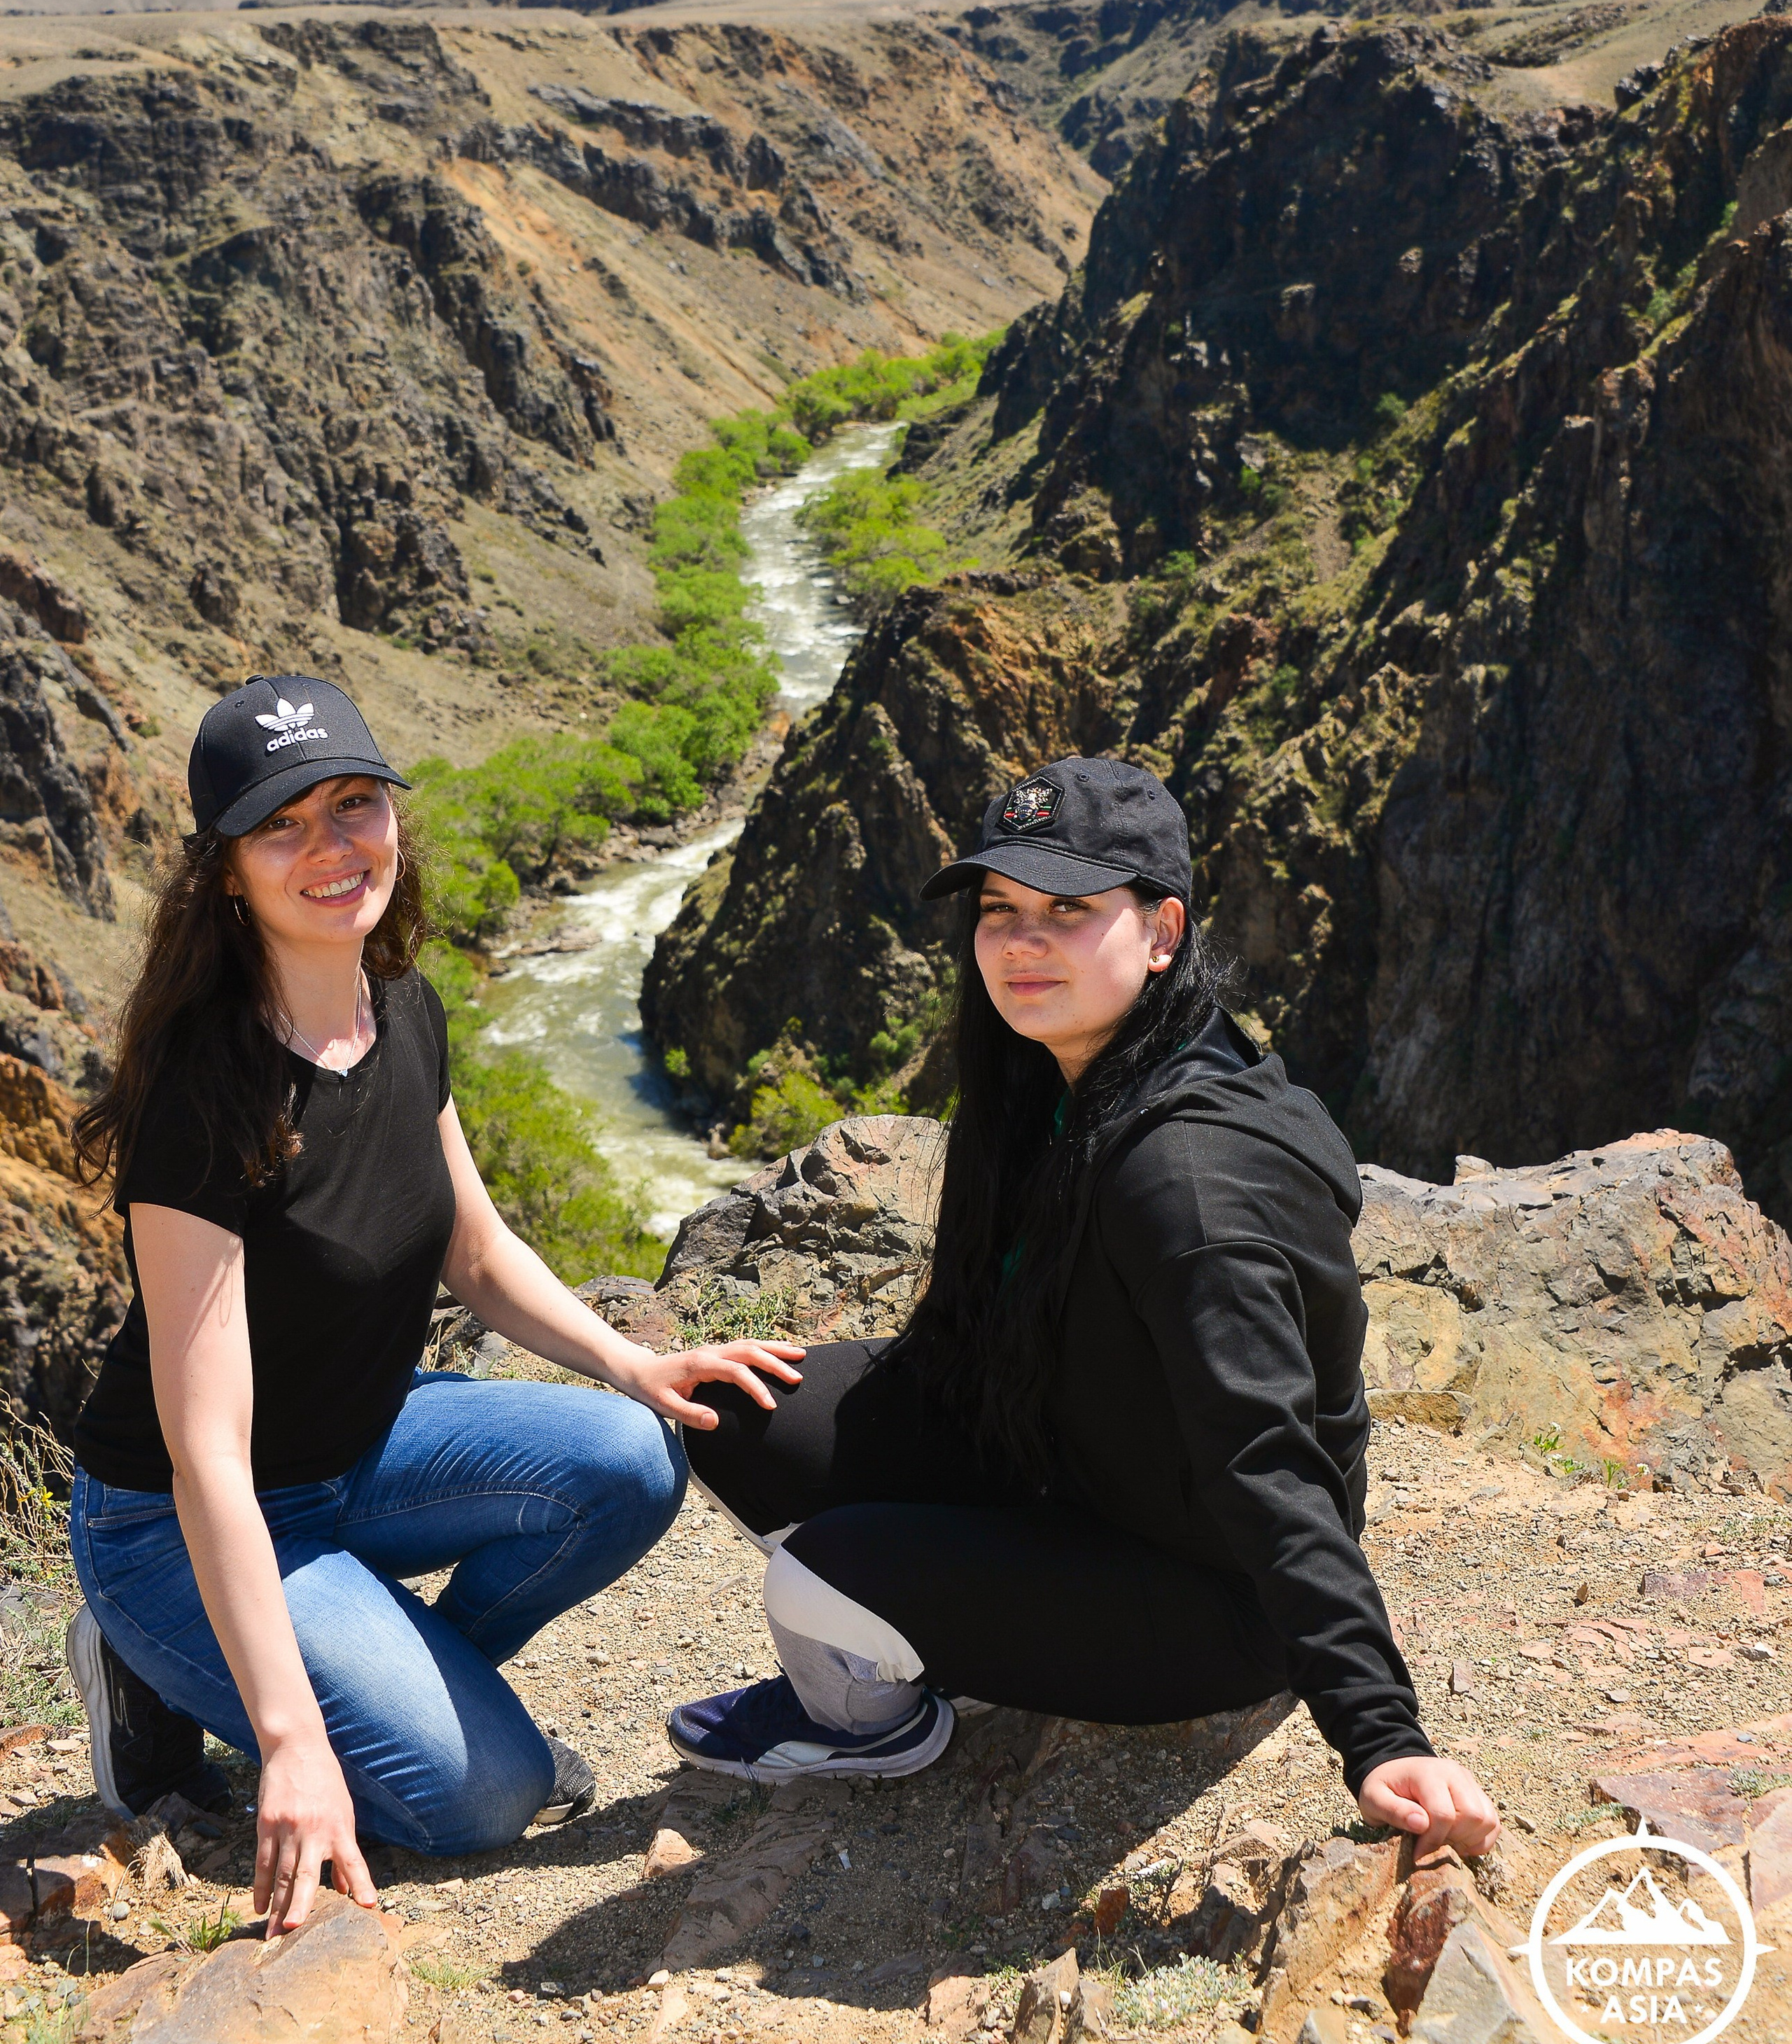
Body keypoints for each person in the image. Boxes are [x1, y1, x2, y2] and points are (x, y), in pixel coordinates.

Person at [66, 676, 801, 1936]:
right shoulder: (207, 1096)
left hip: (357, 1451)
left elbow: (472, 1246)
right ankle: (159, 1671)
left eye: (353, 805)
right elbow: (207, 1457)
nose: (331, 847)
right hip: (179, 1523)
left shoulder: (397, 1002)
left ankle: (402, 1684)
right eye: (281, 825)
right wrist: (293, 1742)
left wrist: (636, 1365)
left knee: (634, 1459)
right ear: (226, 872)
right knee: (485, 1800)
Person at [668, 755, 1498, 1861]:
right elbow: (981, 1333)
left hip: (1211, 1591)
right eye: (1000, 910)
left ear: (1162, 933)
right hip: (1073, 1460)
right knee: (733, 1407)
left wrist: (1380, 1731)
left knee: (822, 1571)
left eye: (1068, 911)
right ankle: (956, 1624)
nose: (1020, 943)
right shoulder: (1052, 1083)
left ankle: (869, 1722)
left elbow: (1267, 1459)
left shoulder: (1185, 1183)